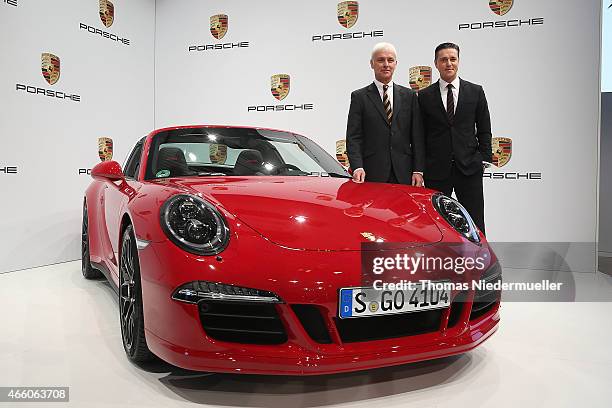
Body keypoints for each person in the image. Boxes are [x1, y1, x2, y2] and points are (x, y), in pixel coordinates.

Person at [418, 42, 492, 234]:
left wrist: (483, 158)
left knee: (475, 220)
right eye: (443, 60)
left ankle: (477, 261)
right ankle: (442, 260)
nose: (448, 63)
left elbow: (484, 128)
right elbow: (420, 134)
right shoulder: (424, 96)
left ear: (458, 61)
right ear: (435, 63)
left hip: (469, 169)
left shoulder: (475, 91)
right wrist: (422, 165)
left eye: (452, 59)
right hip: (436, 170)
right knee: (437, 224)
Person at [346, 42, 425, 186]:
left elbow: (417, 137)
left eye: (390, 60)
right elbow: (353, 137)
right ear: (372, 63)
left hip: (404, 173)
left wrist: (418, 170)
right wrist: (357, 166)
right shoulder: (359, 97)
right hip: (371, 173)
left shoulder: (410, 96)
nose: (386, 64)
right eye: (380, 60)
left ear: (396, 63)